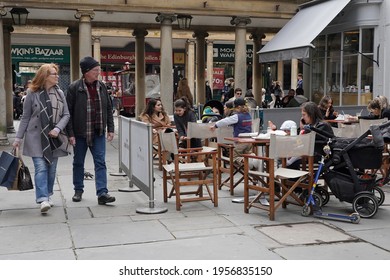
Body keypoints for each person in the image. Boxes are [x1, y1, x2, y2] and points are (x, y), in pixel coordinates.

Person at [13, 63, 70, 214]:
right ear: (45, 76)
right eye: (54, 74)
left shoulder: (60, 93)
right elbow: (25, 117)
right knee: (40, 167)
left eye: (57, 73)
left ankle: (49, 194)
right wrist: (18, 138)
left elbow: (66, 114)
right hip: (35, 136)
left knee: (51, 169)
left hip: (54, 137)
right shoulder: (32, 93)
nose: (57, 76)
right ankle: (43, 198)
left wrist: (58, 128)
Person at [66, 56, 115, 205]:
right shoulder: (74, 88)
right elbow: (68, 112)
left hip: (98, 131)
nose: (98, 72)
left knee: (100, 162)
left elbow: (108, 107)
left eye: (98, 69)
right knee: (78, 162)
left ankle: (102, 193)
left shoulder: (102, 86)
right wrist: (70, 134)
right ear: (86, 71)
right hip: (80, 133)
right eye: (95, 70)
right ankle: (78, 190)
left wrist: (110, 128)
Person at [210, 98, 252, 164]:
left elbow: (226, 121)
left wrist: (215, 125)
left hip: (240, 142)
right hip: (249, 141)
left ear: (238, 107)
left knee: (234, 157)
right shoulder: (249, 115)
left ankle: (245, 160)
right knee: (248, 155)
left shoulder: (237, 116)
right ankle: (252, 159)